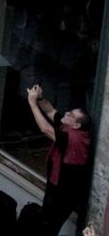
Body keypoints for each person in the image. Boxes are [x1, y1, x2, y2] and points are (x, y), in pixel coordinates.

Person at [27, 83, 93, 235]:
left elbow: (45, 129)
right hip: (55, 188)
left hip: (63, 195)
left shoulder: (74, 139)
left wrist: (32, 103)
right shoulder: (68, 126)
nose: (67, 113)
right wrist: (40, 98)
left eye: (71, 115)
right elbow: (51, 111)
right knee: (43, 223)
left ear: (76, 125)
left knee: (48, 228)